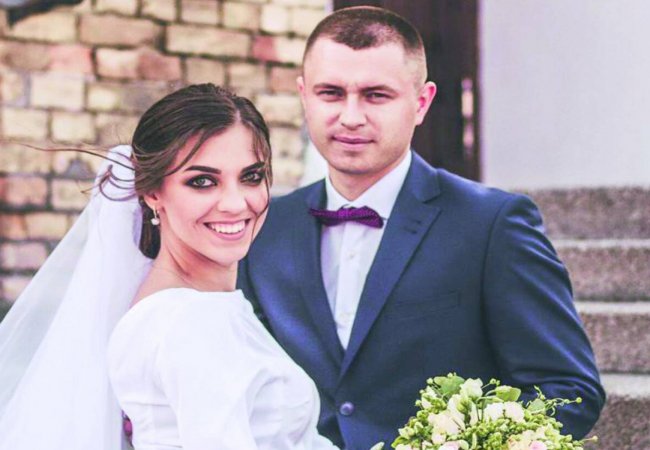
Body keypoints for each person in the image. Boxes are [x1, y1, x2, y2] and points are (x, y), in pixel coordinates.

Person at [237, 6, 606, 450]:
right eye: (331, 93)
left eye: (376, 95)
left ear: (422, 102)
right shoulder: (263, 227)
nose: (350, 116)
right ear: (304, 96)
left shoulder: (492, 225)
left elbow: (568, 390)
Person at [0, 84, 338, 450]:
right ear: (152, 193)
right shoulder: (189, 322)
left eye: (251, 176)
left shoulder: (183, 308)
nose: (235, 203)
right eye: (202, 182)